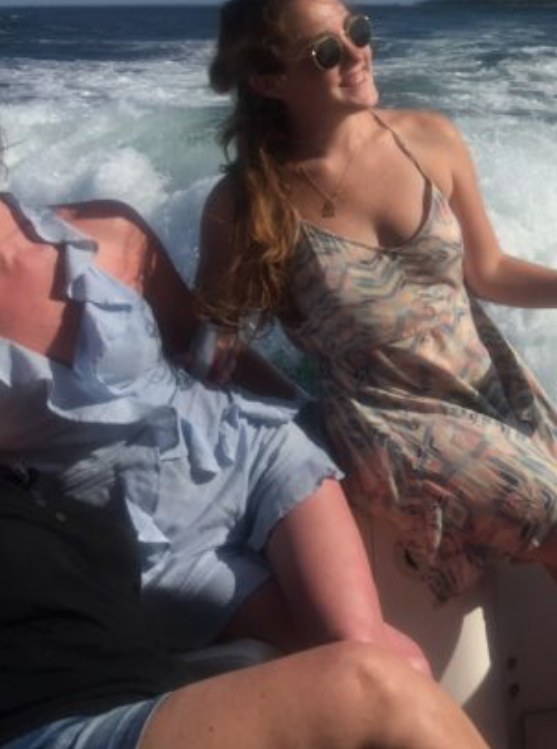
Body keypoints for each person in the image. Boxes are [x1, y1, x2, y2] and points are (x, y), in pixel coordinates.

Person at [196, 0, 557, 749]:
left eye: (359, 29)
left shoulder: (428, 137)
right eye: (326, 49)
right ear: (270, 80)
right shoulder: (247, 202)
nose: (357, 54)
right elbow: (216, 345)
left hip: (491, 391)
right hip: (393, 425)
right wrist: (310, 411)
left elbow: (490, 273)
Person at [0, 172, 426, 671]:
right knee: (386, 666)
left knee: (369, 651)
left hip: (247, 450)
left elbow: (209, 344)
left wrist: (321, 416)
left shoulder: (111, 228)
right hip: (150, 544)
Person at [0, 457, 490, 749]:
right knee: (370, 688)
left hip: (144, 703)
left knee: (396, 671)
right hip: (49, 729)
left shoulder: (38, 482)